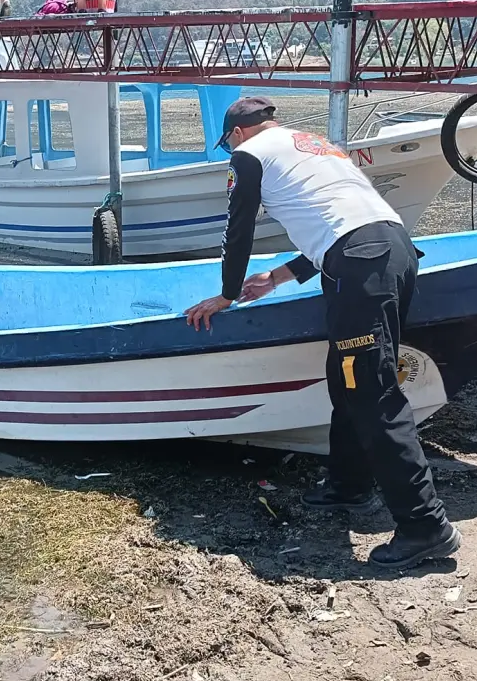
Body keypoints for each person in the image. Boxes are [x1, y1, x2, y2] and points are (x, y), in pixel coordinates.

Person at [184, 96, 461, 570]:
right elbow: (341, 222)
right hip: (391, 251)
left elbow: (239, 230)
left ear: (237, 133)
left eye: (227, 141)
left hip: (359, 266)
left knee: (373, 392)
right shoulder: (315, 145)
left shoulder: (248, 155)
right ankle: (349, 487)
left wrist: (227, 294)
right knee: (346, 377)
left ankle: (424, 526)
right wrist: (277, 278)